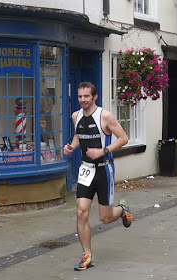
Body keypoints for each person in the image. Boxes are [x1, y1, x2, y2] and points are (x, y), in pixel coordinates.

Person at [63, 82, 133, 271]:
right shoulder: (76, 116)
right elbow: (79, 136)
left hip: (104, 170)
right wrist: (72, 147)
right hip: (86, 169)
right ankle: (87, 256)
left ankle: (122, 209)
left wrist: (103, 150)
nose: (83, 100)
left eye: (87, 96)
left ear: (94, 97)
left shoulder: (105, 116)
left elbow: (123, 138)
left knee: (106, 218)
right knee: (81, 211)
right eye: (80, 96)